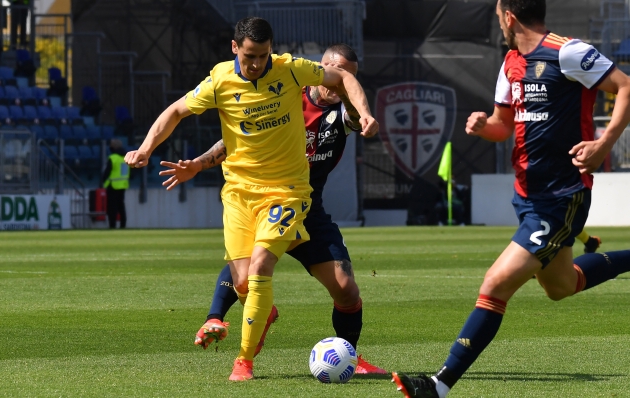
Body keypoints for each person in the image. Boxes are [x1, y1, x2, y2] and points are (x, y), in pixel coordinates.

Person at [391, 1, 630, 397]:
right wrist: (484, 126)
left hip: (561, 196)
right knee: (561, 285)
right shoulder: (510, 62)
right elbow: (503, 125)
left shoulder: (566, 51)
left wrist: (605, 144)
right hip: (528, 196)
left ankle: (439, 385)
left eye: (498, 12)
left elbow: (624, 86)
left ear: (508, 16)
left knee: (495, 284)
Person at [124, 17, 378, 382]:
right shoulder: (234, 81)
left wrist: (365, 113)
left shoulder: (319, 95)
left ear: (272, 49)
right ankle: (244, 314)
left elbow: (347, 87)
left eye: (263, 55)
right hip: (243, 194)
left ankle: (324, 356)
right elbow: (212, 126)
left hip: (294, 197)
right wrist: (154, 150)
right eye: (250, 56)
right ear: (235, 48)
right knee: (245, 279)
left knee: (341, 287)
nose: (257, 63)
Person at [102, 139, 129, 229]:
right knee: (121, 206)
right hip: (123, 185)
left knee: (112, 207)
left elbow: (107, 172)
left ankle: (112, 225)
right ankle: (123, 225)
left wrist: (102, 181)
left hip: (113, 185)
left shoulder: (113, 158)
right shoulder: (125, 158)